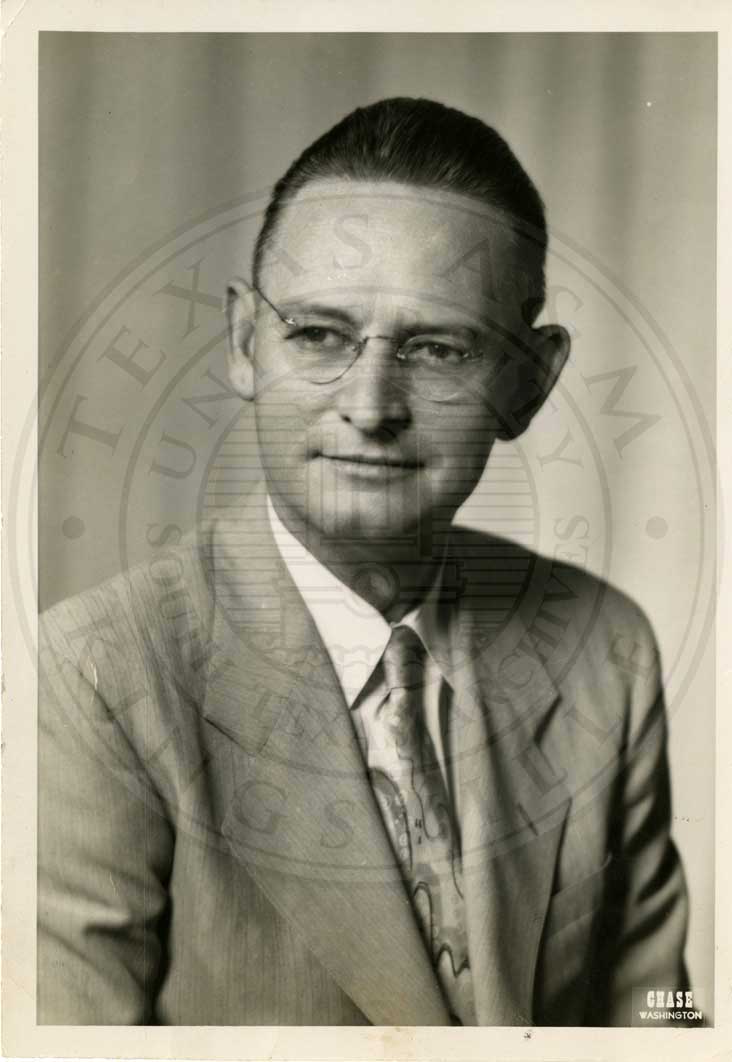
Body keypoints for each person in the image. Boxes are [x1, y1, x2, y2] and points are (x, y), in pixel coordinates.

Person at [38, 96, 689, 1026]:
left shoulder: (603, 647)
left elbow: (661, 1021)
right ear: (245, 344)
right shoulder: (93, 674)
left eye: (439, 349)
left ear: (529, 382)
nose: (372, 405)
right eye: (319, 335)